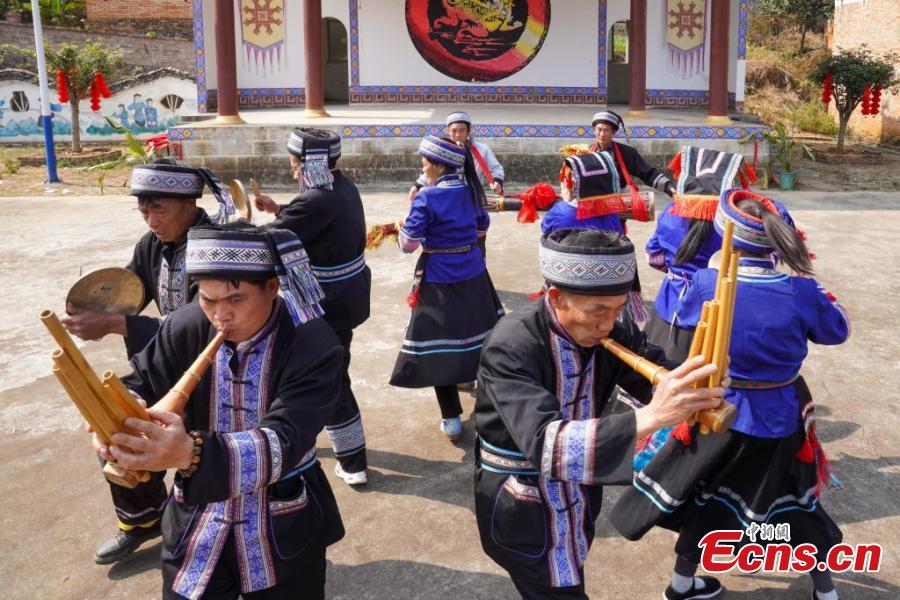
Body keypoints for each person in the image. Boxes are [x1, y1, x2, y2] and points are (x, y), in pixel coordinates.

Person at [610, 190, 850, 600]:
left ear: (723, 233)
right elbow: (837, 329)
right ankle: (826, 591)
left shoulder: (705, 283)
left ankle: (682, 583)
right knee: (792, 500)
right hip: (780, 415)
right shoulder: (801, 291)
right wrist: (812, 288)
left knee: (705, 498)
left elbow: (679, 314)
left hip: (716, 408)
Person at [474, 227, 725, 599]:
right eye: (598, 312)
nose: (608, 325)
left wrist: (692, 384)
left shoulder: (611, 330)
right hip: (522, 502)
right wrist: (652, 416)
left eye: (619, 310)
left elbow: (652, 368)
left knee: (567, 574)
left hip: (576, 493)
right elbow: (545, 442)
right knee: (556, 588)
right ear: (556, 298)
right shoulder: (511, 345)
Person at [99, 223, 345, 599]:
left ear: (273, 288)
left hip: (281, 516)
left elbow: (287, 438)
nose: (219, 316)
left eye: (235, 299)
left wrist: (188, 452)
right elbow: (140, 382)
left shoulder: (313, 342)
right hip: (197, 518)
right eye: (208, 299)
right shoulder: (186, 324)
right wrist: (113, 416)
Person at [61, 159, 233, 565]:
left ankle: (216, 532)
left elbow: (204, 326)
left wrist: (118, 323)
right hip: (165, 360)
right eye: (144, 210)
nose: (151, 219)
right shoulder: (151, 244)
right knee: (114, 419)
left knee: (202, 455)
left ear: (190, 203)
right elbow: (131, 292)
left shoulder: (216, 248)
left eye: (160, 209)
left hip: (212, 365)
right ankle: (141, 519)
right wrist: (92, 306)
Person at [254, 128, 372, 486]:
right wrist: (279, 209)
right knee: (331, 370)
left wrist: (233, 229)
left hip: (325, 305)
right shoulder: (343, 186)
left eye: (295, 165)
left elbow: (268, 238)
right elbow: (314, 218)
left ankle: (353, 461)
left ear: (316, 163)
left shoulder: (316, 201)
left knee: (331, 377)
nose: (293, 172)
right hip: (347, 298)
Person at [390, 135, 504, 441]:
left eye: (425, 162)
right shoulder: (472, 191)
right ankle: (490, 409)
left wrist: (404, 227)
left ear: (439, 165)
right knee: (481, 337)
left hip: (438, 278)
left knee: (439, 346)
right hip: (474, 273)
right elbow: (482, 227)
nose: (423, 167)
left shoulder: (427, 198)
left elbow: (407, 245)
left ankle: (452, 418)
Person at [406, 111, 505, 203]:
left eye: (462, 130)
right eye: (454, 131)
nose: (458, 135)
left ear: (468, 130)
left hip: (472, 197)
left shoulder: (482, 150)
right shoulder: (441, 151)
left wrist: (497, 181)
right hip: (446, 195)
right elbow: (431, 170)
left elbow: (496, 169)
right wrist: (417, 186)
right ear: (448, 131)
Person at [590, 110, 675, 198]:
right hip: (591, 198)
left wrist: (668, 187)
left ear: (613, 132)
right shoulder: (584, 152)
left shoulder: (626, 153)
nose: (602, 134)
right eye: (599, 130)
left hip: (618, 199)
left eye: (606, 130)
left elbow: (647, 173)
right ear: (594, 130)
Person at [541, 151, 627, 236]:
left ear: (574, 185)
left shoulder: (559, 211)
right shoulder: (611, 215)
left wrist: (565, 201)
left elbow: (545, 229)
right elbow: (618, 236)